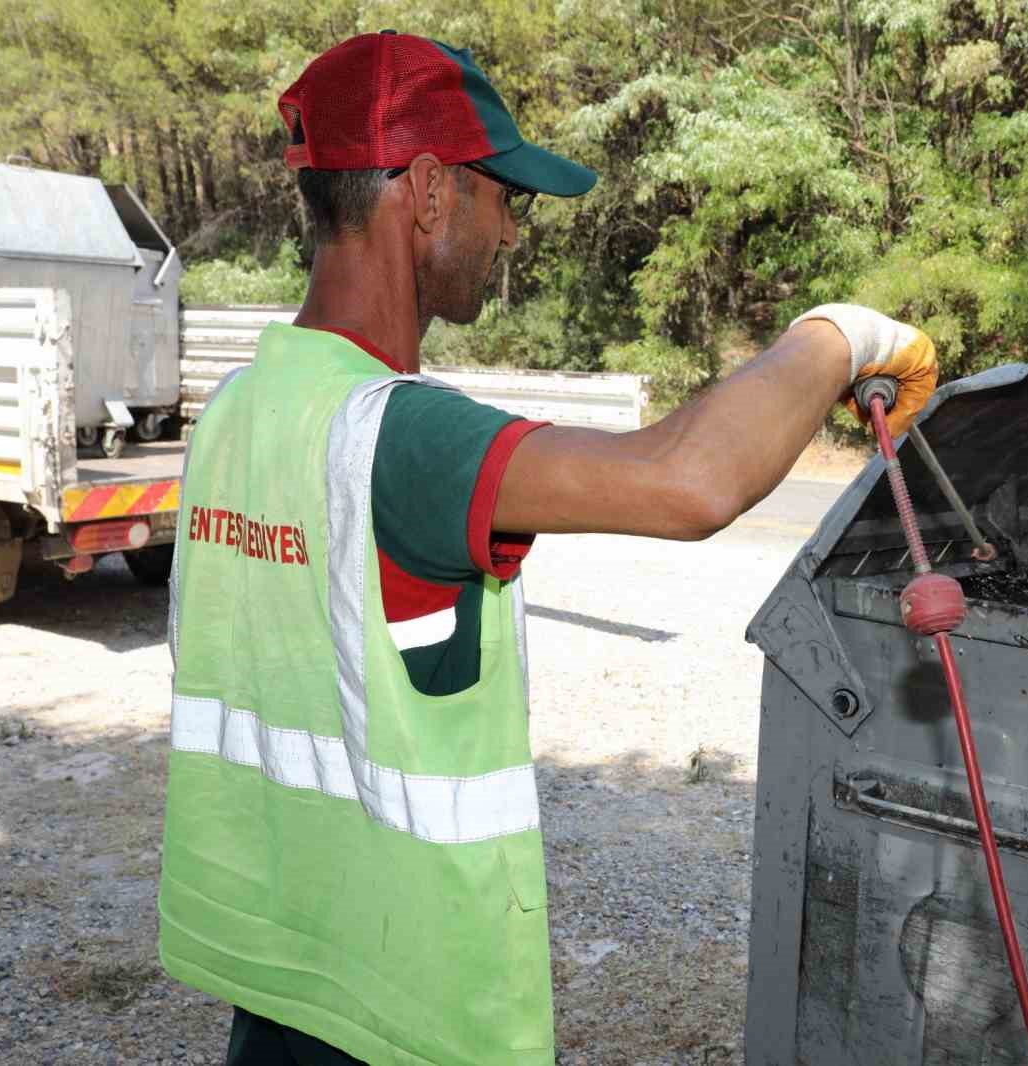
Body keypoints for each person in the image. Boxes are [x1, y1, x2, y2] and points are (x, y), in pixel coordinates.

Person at [156, 30, 938, 1066]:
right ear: (429, 192)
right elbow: (688, 480)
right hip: (409, 1018)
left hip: (281, 991)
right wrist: (839, 337)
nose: (512, 232)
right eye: (503, 196)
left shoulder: (242, 408)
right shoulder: (398, 436)